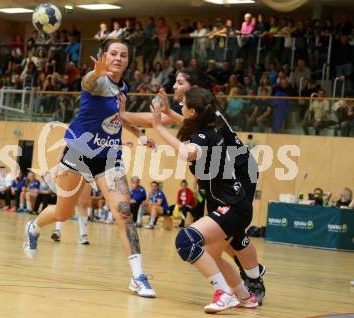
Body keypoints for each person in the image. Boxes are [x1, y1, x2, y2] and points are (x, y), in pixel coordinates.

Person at [118, 68, 266, 305]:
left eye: (179, 83)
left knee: (224, 237)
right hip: (223, 182)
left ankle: (250, 280)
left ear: (194, 89)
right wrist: (164, 114)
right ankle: (242, 293)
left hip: (240, 174)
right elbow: (189, 126)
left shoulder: (205, 119)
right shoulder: (202, 118)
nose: (174, 87)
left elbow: (179, 137)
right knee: (215, 244)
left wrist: (123, 114)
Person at [22, 39, 156, 298]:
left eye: (123, 55)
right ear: (104, 56)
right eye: (113, 54)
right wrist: (96, 71)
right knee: (62, 213)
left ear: (128, 60)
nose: (118, 58)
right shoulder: (96, 81)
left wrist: (139, 135)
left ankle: (138, 276)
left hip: (109, 157)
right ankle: (34, 227)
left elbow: (120, 117)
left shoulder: (123, 88)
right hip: (78, 153)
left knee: (123, 213)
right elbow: (87, 82)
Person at [149, 86, 258, 313]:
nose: (181, 106)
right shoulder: (208, 131)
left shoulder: (203, 136)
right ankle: (245, 297)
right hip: (234, 204)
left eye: (184, 104)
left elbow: (187, 152)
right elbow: (188, 133)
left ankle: (223, 292)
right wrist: (169, 112)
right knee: (212, 256)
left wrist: (158, 126)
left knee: (186, 241)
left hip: (232, 206)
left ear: (193, 112)